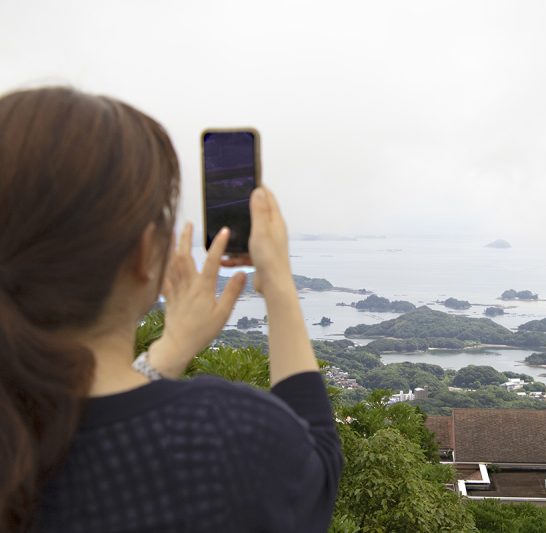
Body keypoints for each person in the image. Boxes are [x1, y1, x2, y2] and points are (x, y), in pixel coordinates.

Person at [0, 87, 342, 532]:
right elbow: (318, 464)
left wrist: (170, 350)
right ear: (146, 253)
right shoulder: (222, 435)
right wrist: (276, 279)